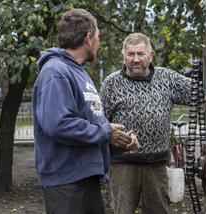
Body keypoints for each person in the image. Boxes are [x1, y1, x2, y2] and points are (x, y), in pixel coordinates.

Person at [32, 8, 138, 214]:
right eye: (98, 36)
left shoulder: (80, 73)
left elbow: (89, 122)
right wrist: (106, 132)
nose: (99, 42)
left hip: (86, 177)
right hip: (66, 182)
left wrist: (117, 138)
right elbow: (59, 125)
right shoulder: (55, 72)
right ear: (88, 38)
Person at [100, 32, 192, 214]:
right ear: (123, 55)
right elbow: (99, 120)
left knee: (159, 210)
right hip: (123, 165)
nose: (135, 59)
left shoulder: (167, 78)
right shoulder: (111, 83)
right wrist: (112, 135)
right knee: (122, 211)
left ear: (150, 55)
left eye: (140, 54)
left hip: (156, 164)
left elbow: (197, 92)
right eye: (131, 54)